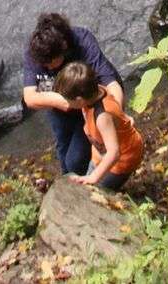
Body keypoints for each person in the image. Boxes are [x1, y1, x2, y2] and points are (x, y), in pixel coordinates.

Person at [22, 12, 124, 176]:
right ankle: (68, 182)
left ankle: (91, 179)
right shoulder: (36, 50)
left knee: (75, 161)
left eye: (50, 63)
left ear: (63, 48)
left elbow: (110, 81)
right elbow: (30, 98)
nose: (46, 67)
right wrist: (64, 101)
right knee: (63, 146)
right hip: (59, 101)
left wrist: (116, 114)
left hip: (89, 101)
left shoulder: (82, 42)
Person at [53, 60, 143, 191]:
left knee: (99, 191)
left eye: (67, 100)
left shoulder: (102, 117)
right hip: (100, 150)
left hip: (122, 159)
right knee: (87, 184)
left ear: (79, 100)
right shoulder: (94, 91)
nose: (65, 103)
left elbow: (114, 153)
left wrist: (94, 177)